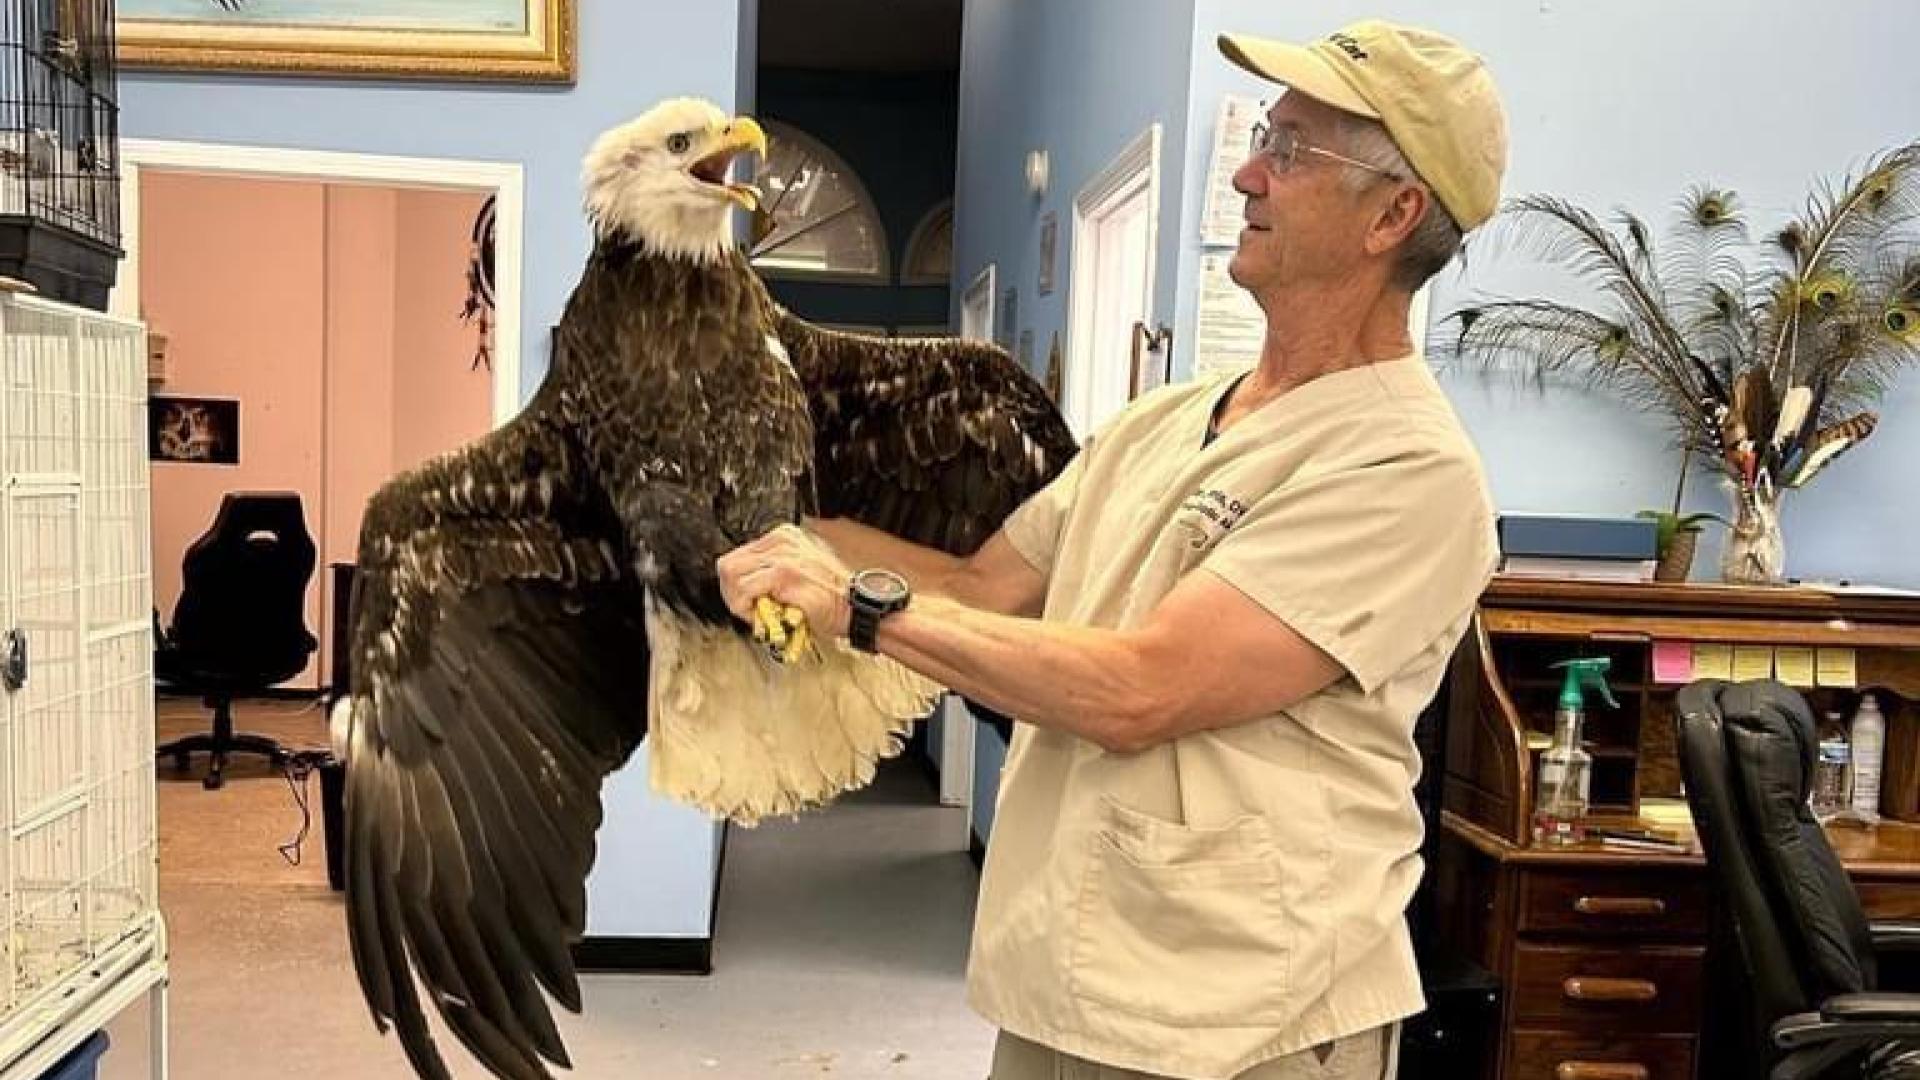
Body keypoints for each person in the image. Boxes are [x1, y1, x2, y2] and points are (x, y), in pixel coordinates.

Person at [716, 18, 1508, 1080]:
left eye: (1291, 151)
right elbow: (980, 587)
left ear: (1394, 215)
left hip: (1242, 1014)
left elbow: (1145, 688)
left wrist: (857, 609)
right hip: (1067, 974)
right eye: (1264, 136)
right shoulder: (1163, 421)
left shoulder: (1407, 471)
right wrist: (776, 532)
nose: (1247, 171)